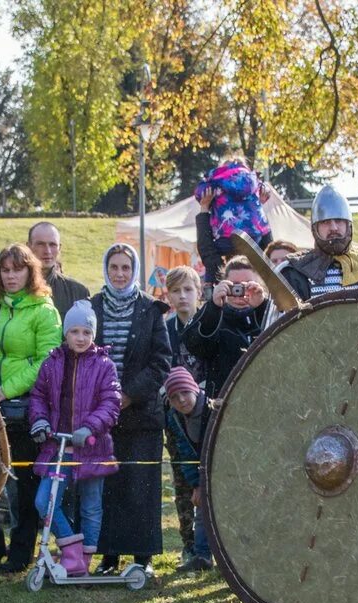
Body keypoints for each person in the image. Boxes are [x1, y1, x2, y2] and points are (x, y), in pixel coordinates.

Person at [0, 243, 63, 574]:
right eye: (5, 269)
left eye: (18, 269)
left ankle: (21, 553)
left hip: (28, 407)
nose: (11, 275)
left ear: (31, 272)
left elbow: (48, 359)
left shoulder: (44, 311)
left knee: (25, 486)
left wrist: (7, 389)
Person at [91, 244, 171, 576]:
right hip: (103, 416)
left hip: (142, 415)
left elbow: (161, 362)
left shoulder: (150, 309)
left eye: (126, 267)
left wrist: (129, 394)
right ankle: (109, 556)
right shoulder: (92, 307)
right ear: (106, 269)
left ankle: (142, 557)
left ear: (134, 270)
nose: (120, 273)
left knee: (141, 487)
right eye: (114, 267)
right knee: (108, 487)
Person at [28, 300, 122, 575]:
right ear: (65, 333)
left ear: (93, 335)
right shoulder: (52, 363)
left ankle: (83, 561)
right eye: (75, 332)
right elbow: (38, 398)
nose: (80, 338)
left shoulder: (104, 365)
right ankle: (71, 553)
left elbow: (111, 402)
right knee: (44, 501)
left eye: (86, 333)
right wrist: (40, 421)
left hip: (92, 448)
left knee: (92, 505)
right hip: (57, 448)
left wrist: (91, 427)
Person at [279, 185, 358, 301]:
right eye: (325, 222)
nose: (333, 227)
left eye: (338, 220)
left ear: (348, 225)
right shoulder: (295, 274)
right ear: (315, 228)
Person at [185, 257, 270, 399]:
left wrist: (262, 307)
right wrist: (213, 306)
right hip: (224, 403)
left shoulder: (269, 312)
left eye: (248, 284)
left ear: (260, 284)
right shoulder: (216, 316)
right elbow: (195, 346)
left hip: (265, 398)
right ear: (223, 284)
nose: (240, 290)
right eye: (235, 285)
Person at [164, 366, 212, 571]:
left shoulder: (212, 408)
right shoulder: (175, 417)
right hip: (200, 465)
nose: (181, 400)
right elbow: (185, 451)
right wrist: (197, 485)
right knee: (202, 509)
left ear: (194, 389)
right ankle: (202, 557)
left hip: (224, 464)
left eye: (184, 392)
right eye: (174, 397)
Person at [194, 158, 272, 284]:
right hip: (254, 238)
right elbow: (269, 247)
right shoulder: (259, 270)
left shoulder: (220, 270)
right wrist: (257, 206)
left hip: (224, 240)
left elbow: (206, 250)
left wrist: (204, 208)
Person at [26, 222, 90, 317]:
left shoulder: (78, 292)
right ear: (28, 247)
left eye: (52, 245)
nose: (47, 251)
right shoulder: (14, 288)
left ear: (60, 248)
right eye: (40, 244)